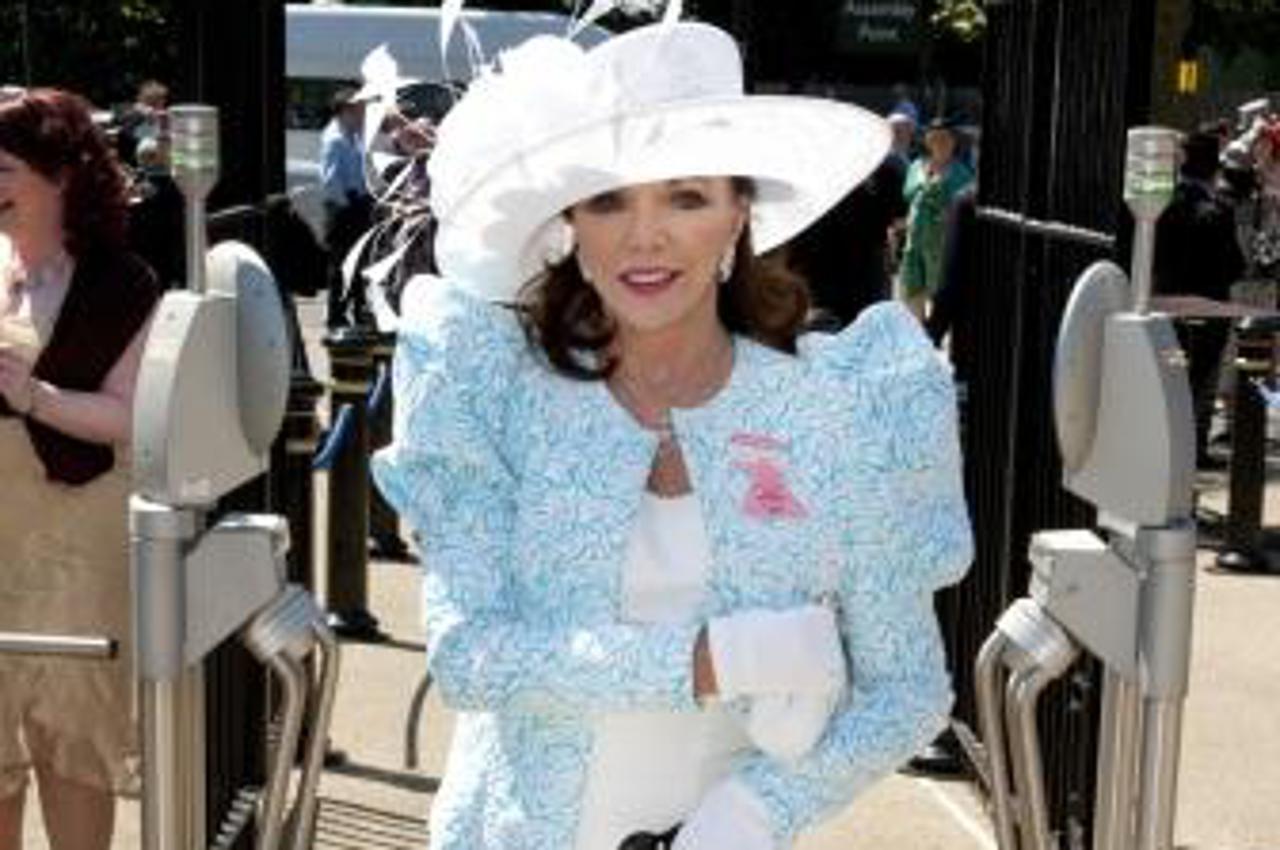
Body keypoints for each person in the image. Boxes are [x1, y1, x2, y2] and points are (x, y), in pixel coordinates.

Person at [371, 21, 972, 850]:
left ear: (737, 215)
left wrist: (757, 809)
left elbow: (905, 690)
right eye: (610, 199)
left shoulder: (833, 411)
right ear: (570, 224)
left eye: (686, 196)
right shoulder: (495, 390)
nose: (643, 236)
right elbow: (470, 655)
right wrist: (707, 661)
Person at [0, 87, 160, 850]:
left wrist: (34, 397)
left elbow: (127, 416)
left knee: (72, 740)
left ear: (60, 176)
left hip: (76, 533)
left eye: (2, 168)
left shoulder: (123, 284)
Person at [1153, 128, 1245, 468]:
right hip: (1209, 314)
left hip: (1166, 306)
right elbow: (1236, 266)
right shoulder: (1217, 211)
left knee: (1168, 379)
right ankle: (1193, 452)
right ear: (1214, 169)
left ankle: (1164, 450)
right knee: (1200, 383)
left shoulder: (1162, 204)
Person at [898, 116, 975, 321]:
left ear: (953, 142)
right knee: (912, 298)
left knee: (940, 296)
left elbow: (964, 206)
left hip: (942, 243)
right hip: (915, 242)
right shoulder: (915, 166)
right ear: (927, 141)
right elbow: (907, 195)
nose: (939, 143)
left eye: (944, 139)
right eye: (934, 138)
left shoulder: (962, 173)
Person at [320, 86, 372, 327]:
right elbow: (330, 181)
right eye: (358, 109)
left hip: (358, 205)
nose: (362, 114)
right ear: (345, 111)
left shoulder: (354, 135)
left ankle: (359, 309)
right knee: (341, 265)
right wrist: (350, 203)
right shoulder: (334, 139)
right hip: (344, 210)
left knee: (360, 262)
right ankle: (336, 315)